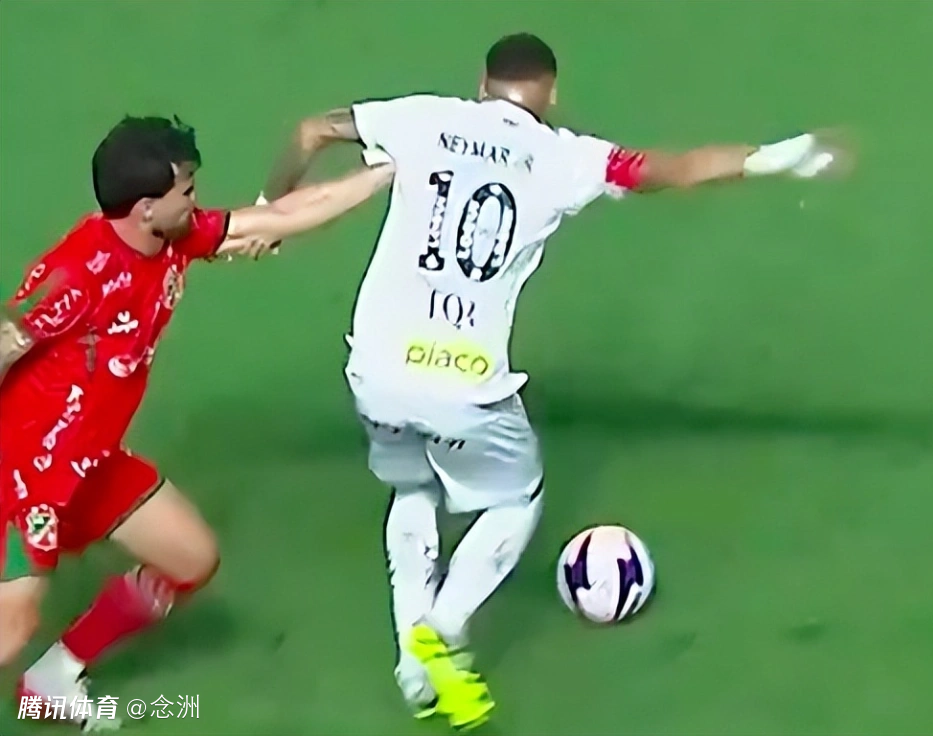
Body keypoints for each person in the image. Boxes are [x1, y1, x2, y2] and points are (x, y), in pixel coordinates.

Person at [264, 32, 843, 730]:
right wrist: (782, 157)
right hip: (465, 386)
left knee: (413, 487)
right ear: (552, 93)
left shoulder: (420, 118)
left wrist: (271, 210)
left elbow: (312, 130)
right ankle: (444, 626)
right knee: (516, 499)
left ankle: (414, 673)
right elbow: (680, 169)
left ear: (482, 83)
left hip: (376, 368)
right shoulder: (568, 158)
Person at [0, 115, 393, 729]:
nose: (196, 200)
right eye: (186, 190)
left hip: (91, 460)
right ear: (146, 207)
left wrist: (387, 173)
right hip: (26, 472)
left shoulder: (174, 238)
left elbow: (279, 218)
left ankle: (55, 676)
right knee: (13, 625)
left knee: (189, 560)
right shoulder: (78, 275)